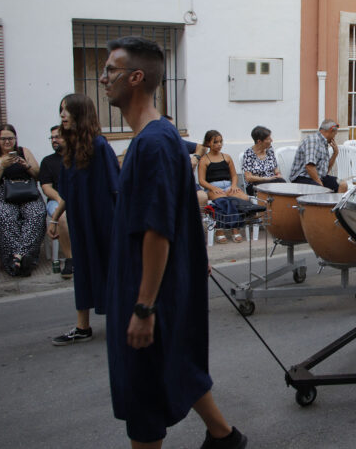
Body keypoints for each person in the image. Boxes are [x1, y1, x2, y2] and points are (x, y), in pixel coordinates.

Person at [100, 36, 246, 448]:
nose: (103, 77)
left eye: (111, 70)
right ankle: (224, 436)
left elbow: (157, 230)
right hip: (153, 284)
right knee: (174, 366)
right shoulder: (159, 137)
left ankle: (225, 437)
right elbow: (179, 213)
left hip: (146, 292)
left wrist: (143, 307)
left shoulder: (153, 143)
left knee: (143, 395)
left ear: (136, 77)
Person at [48, 94, 120, 346]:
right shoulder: (69, 149)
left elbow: (116, 188)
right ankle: (82, 327)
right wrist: (55, 218)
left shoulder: (100, 146)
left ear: (81, 113)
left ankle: (119, 323)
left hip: (103, 220)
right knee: (83, 270)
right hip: (80, 222)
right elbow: (67, 193)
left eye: (67, 111)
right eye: (61, 111)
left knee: (109, 269)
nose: (62, 116)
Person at [0, 124, 46, 276]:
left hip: (26, 193)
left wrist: (27, 166)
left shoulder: (24, 152)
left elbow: (38, 175)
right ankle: (23, 259)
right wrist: (2, 166)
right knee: (6, 217)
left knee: (37, 213)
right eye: (3, 139)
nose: (7, 142)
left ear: (15, 139)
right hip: (0, 196)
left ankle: (16, 258)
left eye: (10, 138)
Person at [198, 130, 249, 243]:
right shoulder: (204, 160)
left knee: (243, 198)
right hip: (212, 186)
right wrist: (213, 188)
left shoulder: (227, 157)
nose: (219, 144)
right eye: (216, 142)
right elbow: (201, 180)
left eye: (221, 142)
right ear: (208, 143)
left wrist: (234, 185)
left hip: (228, 185)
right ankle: (220, 230)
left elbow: (234, 175)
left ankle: (235, 227)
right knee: (223, 201)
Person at [39, 125, 74, 279]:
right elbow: (46, 187)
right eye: (51, 137)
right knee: (62, 217)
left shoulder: (77, 157)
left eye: (57, 137)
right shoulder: (47, 161)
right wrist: (61, 199)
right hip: (56, 200)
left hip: (76, 199)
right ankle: (70, 259)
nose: (54, 140)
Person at [161, 115, 209, 206]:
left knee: (202, 197)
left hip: (185, 181)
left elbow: (203, 147)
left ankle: (198, 220)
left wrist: (195, 158)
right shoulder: (156, 145)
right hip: (167, 185)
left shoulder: (179, 142)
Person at [290, 119, 348, 193]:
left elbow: (325, 171)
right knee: (321, 190)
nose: (334, 137)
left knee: (342, 184)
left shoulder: (324, 143)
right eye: (335, 134)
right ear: (330, 131)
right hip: (302, 178)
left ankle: (336, 205)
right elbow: (309, 166)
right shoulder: (313, 140)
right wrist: (320, 184)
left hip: (317, 177)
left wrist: (335, 154)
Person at [242, 125, 285, 196]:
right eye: (268, 139)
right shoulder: (249, 153)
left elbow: (276, 170)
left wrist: (278, 175)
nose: (271, 140)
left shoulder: (269, 150)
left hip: (272, 182)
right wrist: (267, 179)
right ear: (259, 141)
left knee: (283, 184)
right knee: (273, 191)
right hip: (256, 183)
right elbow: (249, 178)